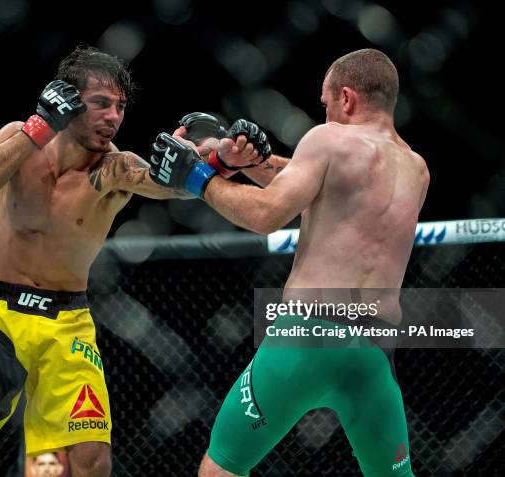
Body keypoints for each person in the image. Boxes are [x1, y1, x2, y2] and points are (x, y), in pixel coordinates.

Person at [0, 45, 267, 477]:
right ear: (69, 101)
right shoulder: (18, 137)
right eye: (101, 104)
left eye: (120, 106)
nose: (114, 117)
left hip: (67, 324)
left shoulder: (115, 169)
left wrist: (221, 162)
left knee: (89, 459)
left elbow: (168, 185)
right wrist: (38, 129)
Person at [149, 48, 429, 476]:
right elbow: (323, 188)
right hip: (373, 354)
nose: (326, 112)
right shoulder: (416, 168)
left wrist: (196, 176)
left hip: (307, 337)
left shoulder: (327, 139)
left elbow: (267, 215)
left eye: (327, 103)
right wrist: (256, 164)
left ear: (347, 97)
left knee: (222, 467)